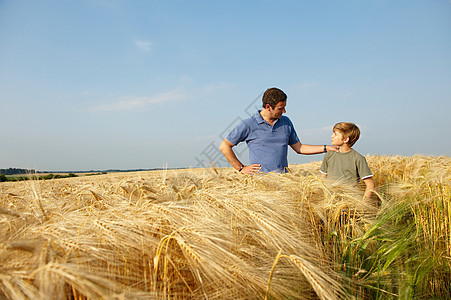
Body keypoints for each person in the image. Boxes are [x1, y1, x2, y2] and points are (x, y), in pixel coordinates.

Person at [219, 87, 339, 174]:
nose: (284, 111)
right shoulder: (248, 124)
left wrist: (326, 148)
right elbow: (224, 146)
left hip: (284, 181)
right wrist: (241, 168)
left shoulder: (286, 122)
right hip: (261, 184)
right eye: (281, 108)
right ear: (268, 107)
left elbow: (299, 148)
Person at [319, 122, 374, 199]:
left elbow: (370, 184)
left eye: (335, 134)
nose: (332, 136)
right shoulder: (329, 154)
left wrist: (362, 204)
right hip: (331, 201)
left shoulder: (358, 158)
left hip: (350, 203)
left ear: (345, 139)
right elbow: (323, 178)